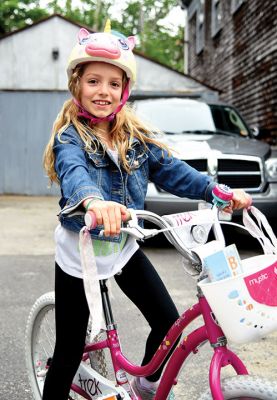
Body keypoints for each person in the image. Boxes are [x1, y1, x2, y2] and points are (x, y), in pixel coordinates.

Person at [42, 21, 252, 400]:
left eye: (113, 83)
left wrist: (215, 190)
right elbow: (74, 172)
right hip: (82, 251)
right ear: (77, 85)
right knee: (69, 350)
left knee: (168, 322)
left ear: (125, 91)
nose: (103, 91)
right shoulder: (69, 137)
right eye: (94, 81)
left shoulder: (134, 139)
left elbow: (174, 172)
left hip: (123, 246)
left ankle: (145, 384)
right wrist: (94, 201)